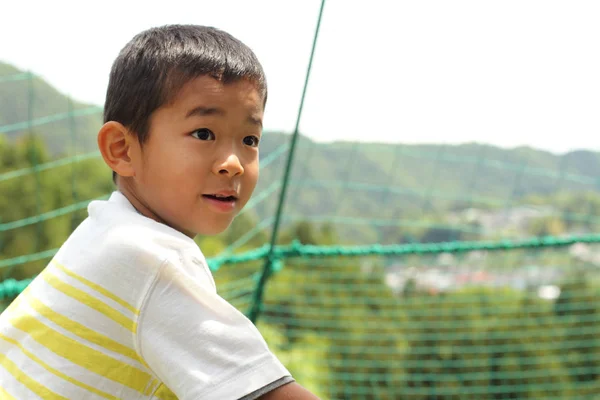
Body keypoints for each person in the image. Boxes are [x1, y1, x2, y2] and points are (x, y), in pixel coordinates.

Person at [0, 24, 320, 400]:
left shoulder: (103, 229)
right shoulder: (154, 259)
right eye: (204, 133)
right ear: (121, 149)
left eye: (249, 140)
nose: (233, 163)